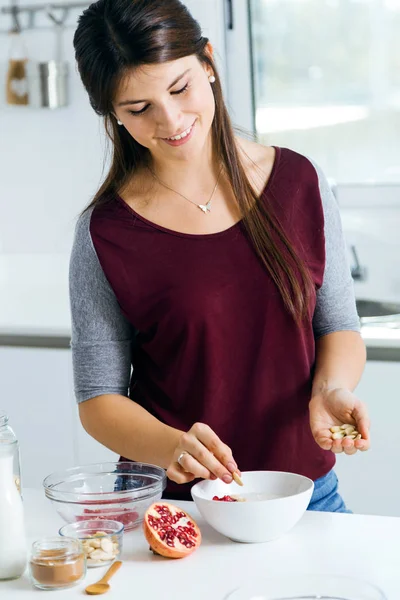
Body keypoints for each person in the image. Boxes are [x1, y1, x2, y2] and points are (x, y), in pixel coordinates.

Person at [70, 0, 370, 511]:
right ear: (112, 115)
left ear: (208, 61)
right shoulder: (106, 232)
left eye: (179, 87)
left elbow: (337, 324)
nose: (171, 120)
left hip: (304, 495)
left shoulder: (300, 183)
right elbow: (99, 400)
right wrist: (170, 446)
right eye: (138, 109)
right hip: (175, 505)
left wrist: (329, 391)